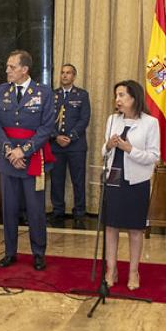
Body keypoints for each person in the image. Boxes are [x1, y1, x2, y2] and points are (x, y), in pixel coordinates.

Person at [0, 49, 56, 271]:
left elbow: (47, 127)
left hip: (33, 159)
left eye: (12, 67)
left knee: (35, 209)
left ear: (24, 69)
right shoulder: (1, 91)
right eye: (8, 66)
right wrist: (11, 151)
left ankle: (38, 253)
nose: (7, 70)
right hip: (8, 159)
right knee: (8, 208)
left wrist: (24, 151)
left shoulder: (44, 92)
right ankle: (10, 252)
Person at [102, 80, 160, 290]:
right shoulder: (112, 120)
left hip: (136, 181)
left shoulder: (150, 122)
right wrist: (108, 145)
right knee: (111, 227)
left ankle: (134, 271)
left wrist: (129, 149)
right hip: (113, 179)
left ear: (134, 98)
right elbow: (103, 152)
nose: (117, 100)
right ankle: (111, 269)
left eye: (122, 95)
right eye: (116, 95)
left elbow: (154, 156)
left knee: (135, 229)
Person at [50, 63, 91, 229]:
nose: (65, 76)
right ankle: (58, 210)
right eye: (62, 73)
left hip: (76, 146)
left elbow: (84, 119)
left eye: (68, 73)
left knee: (78, 180)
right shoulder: (52, 95)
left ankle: (79, 211)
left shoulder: (81, 95)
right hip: (56, 145)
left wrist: (70, 137)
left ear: (74, 76)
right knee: (57, 180)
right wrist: (55, 136)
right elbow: (45, 119)